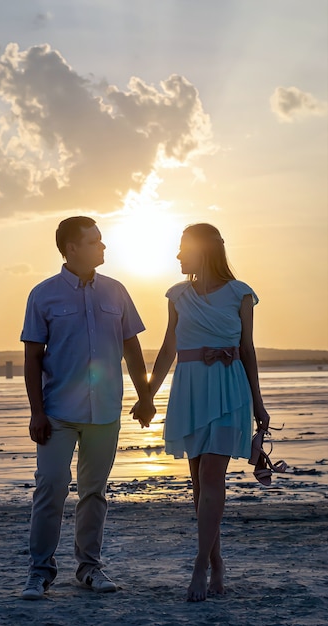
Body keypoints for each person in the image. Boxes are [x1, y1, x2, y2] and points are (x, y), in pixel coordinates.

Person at [20, 216, 155, 600]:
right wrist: (36, 411)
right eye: (95, 241)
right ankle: (39, 572)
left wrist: (145, 398)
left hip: (106, 412)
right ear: (72, 248)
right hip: (57, 412)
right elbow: (32, 357)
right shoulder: (42, 295)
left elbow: (132, 347)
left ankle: (89, 568)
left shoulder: (116, 291)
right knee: (50, 488)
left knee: (94, 492)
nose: (103, 247)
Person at [136, 223, 271, 602]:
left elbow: (247, 349)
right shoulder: (177, 295)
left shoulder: (240, 293)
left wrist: (258, 403)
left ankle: (199, 566)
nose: (177, 256)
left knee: (212, 475)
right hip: (190, 390)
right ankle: (217, 562)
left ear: (204, 250)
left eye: (183, 249)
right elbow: (167, 349)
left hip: (229, 390)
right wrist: (147, 396)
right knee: (199, 486)